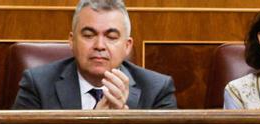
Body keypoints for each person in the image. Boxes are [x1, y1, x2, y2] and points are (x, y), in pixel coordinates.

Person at [13, 0, 177, 109]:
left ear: (127, 46)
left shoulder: (157, 90)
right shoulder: (38, 85)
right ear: (71, 41)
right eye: (89, 35)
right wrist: (93, 123)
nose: (99, 46)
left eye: (111, 37)